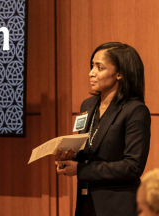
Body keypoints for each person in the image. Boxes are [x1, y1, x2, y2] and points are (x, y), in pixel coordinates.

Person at [55, 42, 150, 215]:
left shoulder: (135, 110)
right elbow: (88, 149)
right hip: (85, 201)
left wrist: (80, 170)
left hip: (117, 205)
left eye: (99, 67)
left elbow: (133, 166)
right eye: (92, 66)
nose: (91, 73)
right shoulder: (88, 105)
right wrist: (69, 156)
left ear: (120, 73)